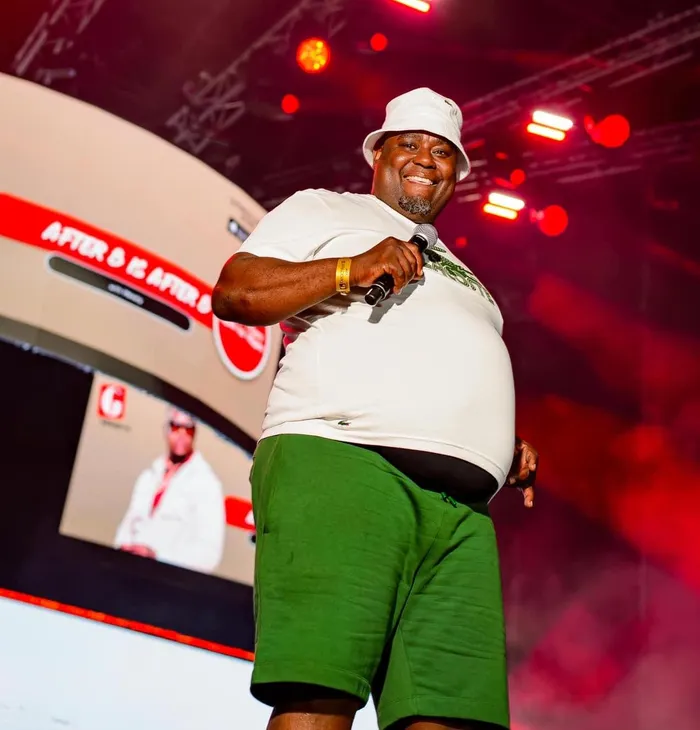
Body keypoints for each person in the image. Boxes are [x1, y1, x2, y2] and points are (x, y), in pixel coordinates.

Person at [212, 87, 539, 730]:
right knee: (320, 692)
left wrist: (494, 435)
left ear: (456, 173)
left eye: (442, 152)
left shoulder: (464, 272)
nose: (425, 160)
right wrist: (348, 269)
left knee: (450, 715)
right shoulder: (325, 210)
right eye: (410, 144)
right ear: (379, 154)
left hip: (461, 511)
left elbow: (432, 358)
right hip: (344, 460)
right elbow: (236, 292)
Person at [114, 407, 225, 573]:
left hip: (167, 579)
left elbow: (209, 554)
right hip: (128, 573)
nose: (181, 434)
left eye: (188, 429)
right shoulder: (149, 476)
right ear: (166, 429)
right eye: (175, 427)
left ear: (195, 432)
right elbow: (127, 526)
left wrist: (157, 557)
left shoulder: (206, 483)